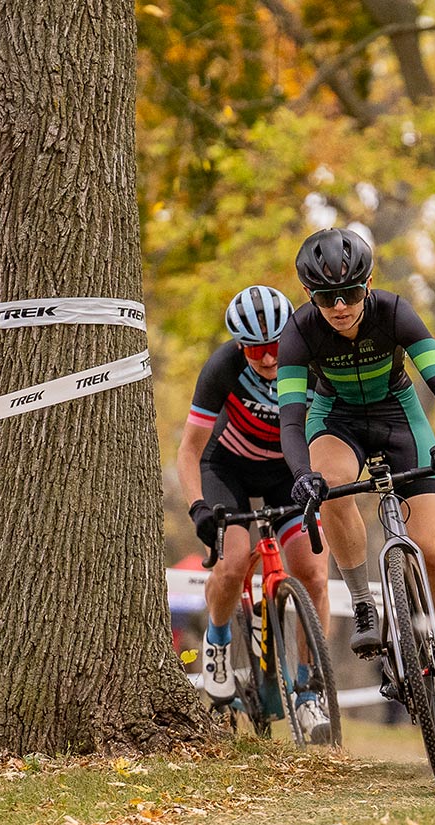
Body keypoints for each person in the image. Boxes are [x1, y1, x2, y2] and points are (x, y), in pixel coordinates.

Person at [275, 227, 435, 728]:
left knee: (434, 551)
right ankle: (364, 602)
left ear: (368, 284)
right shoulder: (300, 332)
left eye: (350, 293)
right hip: (335, 419)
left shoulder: (396, 312)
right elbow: (290, 418)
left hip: (399, 416)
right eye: (327, 297)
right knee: (327, 487)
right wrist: (302, 474)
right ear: (310, 296)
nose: (341, 306)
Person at [176, 285, 333, 739]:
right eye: (257, 350)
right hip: (228, 469)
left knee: (314, 573)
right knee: (232, 563)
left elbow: (326, 427)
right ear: (240, 346)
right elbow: (189, 451)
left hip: (288, 471)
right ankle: (220, 642)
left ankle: (309, 691)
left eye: (276, 347)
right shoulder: (223, 367)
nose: (268, 359)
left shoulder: (308, 359)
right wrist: (198, 508)